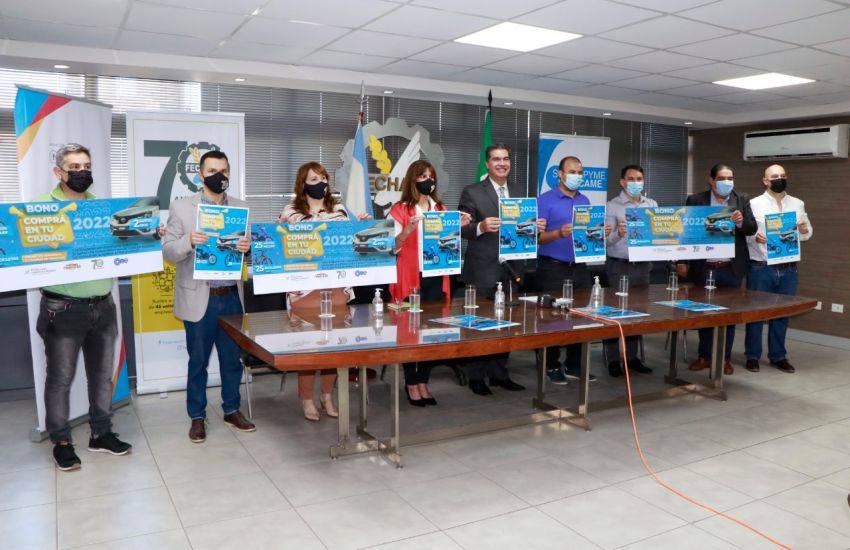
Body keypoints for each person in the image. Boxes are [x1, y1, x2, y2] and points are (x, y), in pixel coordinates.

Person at [36, 143, 131, 471]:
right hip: (63, 310)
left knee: (102, 376)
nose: (82, 172)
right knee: (60, 379)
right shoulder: (39, 209)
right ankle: (61, 442)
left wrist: (148, 235)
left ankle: (101, 433)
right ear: (58, 172)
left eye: (86, 166)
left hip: (103, 306)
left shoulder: (103, 208)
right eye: (74, 167)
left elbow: (123, 246)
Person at [163, 150, 256, 443]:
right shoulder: (182, 207)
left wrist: (248, 249)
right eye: (213, 171)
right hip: (198, 298)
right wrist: (188, 242)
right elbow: (168, 251)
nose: (219, 176)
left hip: (231, 297)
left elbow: (251, 254)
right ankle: (197, 416)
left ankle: (231, 410)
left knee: (231, 361)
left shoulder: (241, 208)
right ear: (201, 175)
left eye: (224, 171)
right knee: (198, 362)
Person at [459, 143, 544, 395]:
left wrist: (535, 228)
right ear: (487, 164)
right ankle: (476, 376)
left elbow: (523, 229)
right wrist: (481, 227)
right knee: (480, 323)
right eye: (496, 159)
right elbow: (460, 228)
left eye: (506, 159)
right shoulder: (472, 191)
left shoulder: (519, 192)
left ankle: (499, 373)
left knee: (506, 322)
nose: (502, 163)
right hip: (482, 268)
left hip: (512, 268)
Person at [279, 161, 357, 421]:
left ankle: (327, 396)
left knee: (333, 347)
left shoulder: (340, 210)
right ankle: (307, 399)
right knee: (308, 348)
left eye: (323, 178)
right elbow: (282, 249)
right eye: (313, 180)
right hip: (305, 292)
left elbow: (351, 245)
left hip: (336, 288)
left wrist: (361, 227)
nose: (320, 183)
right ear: (302, 184)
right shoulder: (291, 213)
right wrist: (278, 233)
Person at [389, 160, 470, 406]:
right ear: (413, 180)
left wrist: (458, 226)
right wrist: (408, 230)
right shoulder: (399, 210)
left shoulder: (441, 208)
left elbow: (447, 241)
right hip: (410, 277)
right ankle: (411, 383)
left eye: (431, 176)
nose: (429, 180)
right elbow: (391, 248)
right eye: (423, 176)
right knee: (408, 331)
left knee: (431, 331)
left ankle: (423, 381)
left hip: (436, 276)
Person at [676, 163, 757, 375]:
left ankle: (724, 358)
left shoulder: (742, 199)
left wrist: (740, 222)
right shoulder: (696, 200)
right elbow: (685, 231)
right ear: (711, 180)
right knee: (704, 314)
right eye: (722, 178)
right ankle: (704, 356)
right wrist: (681, 261)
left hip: (731, 267)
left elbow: (752, 228)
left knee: (728, 316)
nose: (726, 182)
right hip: (704, 267)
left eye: (730, 178)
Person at [536, 155, 610, 384]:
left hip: (579, 268)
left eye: (579, 172)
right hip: (552, 267)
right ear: (559, 174)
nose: (576, 176)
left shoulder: (584, 200)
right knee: (551, 319)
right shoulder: (544, 200)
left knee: (581, 316)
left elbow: (586, 235)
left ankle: (574, 364)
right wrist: (558, 233)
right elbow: (536, 238)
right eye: (571, 172)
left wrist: (599, 233)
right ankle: (550, 365)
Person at [744, 164, 813, 374]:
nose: (779, 179)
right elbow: (744, 233)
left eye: (782, 175)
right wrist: (754, 238)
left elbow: (807, 234)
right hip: (761, 267)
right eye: (774, 176)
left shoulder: (797, 203)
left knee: (782, 314)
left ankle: (778, 356)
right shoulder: (753, 204)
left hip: (788, 268)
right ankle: (752, 356)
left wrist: (803, 229)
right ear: (765, 180)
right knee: (756, 314)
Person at [603, 164, 656, 377]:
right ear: (622, 182)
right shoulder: (612, 206)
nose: (636, 183)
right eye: (631, 179)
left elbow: (657, 234)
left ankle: (632, 358)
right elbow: (605, 240)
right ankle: (613, 360)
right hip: (619, 265)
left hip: (643, 266)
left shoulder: (651, 204)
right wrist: (619, 233)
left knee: (638, 313)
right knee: (615, 312)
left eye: (639, 179)